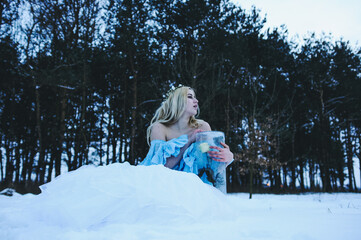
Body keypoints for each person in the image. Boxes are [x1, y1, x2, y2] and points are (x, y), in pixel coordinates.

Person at [139, 85, 233, 192]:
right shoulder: (160, 128)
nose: (196, 100)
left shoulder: (202, 127)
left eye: (195, 97)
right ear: (177, 101)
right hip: (165, 190)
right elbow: (158, 168)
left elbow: (207, 161)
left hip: (195, 191)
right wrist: (188, 141)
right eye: (190, 97)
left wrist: (226, 158)